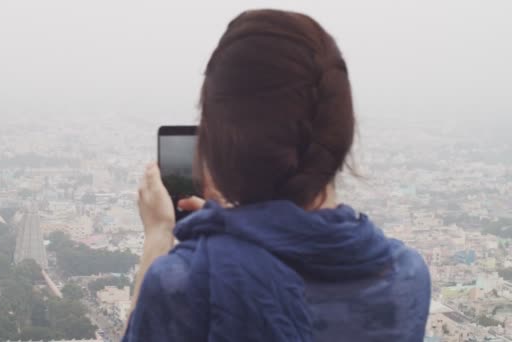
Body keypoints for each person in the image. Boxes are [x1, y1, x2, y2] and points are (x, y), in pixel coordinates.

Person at [123, 9, 431, 342]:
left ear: (218, 141)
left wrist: (158, 235)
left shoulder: (183, 283)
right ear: (341, 130)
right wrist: (241, 226)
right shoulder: (404, 276)